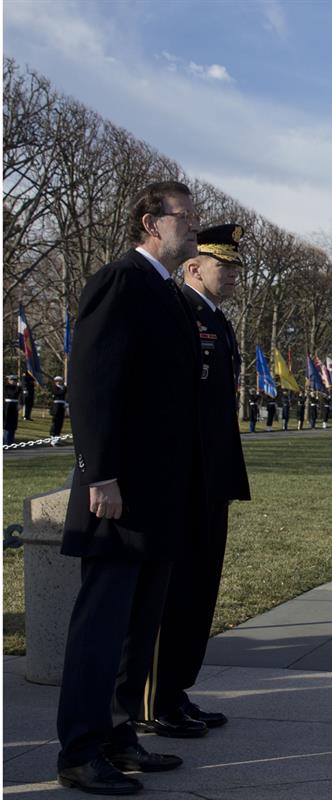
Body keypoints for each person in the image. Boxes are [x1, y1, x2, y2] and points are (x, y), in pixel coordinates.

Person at [55, 180, 201, 795]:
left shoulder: (164, 291)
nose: (194, 228)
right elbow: (93, 382)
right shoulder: (122, 280)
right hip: (118, 489)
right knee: (101, 624)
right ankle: (80, 750)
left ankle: (118, 736)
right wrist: (101, 473)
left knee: (137, 626)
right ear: (151, 222)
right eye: (185, 218)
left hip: (158, 493)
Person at [139, 223, 251, 740]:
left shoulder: (216, 320)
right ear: (193, 266)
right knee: (172, 591)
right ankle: (152, 697)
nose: (232, 276)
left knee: (199, 589)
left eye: (234, 267)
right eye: (223, 266)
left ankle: (176, 689)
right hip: (182, 475)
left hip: (211, 474)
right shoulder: (177, 311)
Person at [49, 376, 68, 445]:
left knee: (60, 422)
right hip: (56, 406)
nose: (59, 382)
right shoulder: (54, 387)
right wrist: (65, 388)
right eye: (57, 381)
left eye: (60, 381)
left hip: (62, 405)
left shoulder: (63, 388)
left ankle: (57, 437)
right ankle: (53, 436)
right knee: (55, 422)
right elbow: (58, 393)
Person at [4, 375, 20, 445]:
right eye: (12, 380)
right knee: (7, 424)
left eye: (15, 380)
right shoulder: (6, 387)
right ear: (9, 380)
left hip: (15, 405)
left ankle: (11, 442)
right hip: (7, 406)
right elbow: (12, 394)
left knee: (13, 424)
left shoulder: (18, 388)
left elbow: (22, 396)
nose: (13, 381)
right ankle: (6, 442)